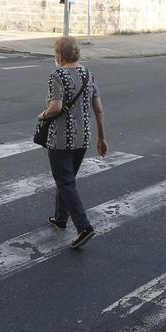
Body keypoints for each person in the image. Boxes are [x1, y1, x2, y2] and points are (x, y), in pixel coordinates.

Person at [36, 35, 107, 250]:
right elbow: (99, 108)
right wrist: (102, 138)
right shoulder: (87, 73)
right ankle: (60, 218)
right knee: (66, 179)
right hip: (82, 138)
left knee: (66, 182)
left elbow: (56, 107)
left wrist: (42, 115)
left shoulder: (57, 74)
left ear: (59, 55)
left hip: (60, 139)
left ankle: (84, 227)